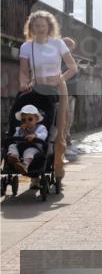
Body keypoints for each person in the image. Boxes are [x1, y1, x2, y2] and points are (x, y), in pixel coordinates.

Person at [19, 10, 77, 180]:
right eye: (36, 25)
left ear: (49, 26)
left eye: (43, 25)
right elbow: (23, 71)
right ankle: (34, 173)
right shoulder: (26, 47)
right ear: (31, 27)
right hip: (36, 87)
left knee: (59, 128)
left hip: (58, 89)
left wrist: (60, 78)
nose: (40, 28)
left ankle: (58, 160)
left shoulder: (58, 44)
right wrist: (23, 84)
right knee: (35, 124)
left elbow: (72, 68)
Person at [5, 104, 48, 175]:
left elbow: (44, 135)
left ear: (36, 120)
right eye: (24, 120)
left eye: (30, 119)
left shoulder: (40, 128)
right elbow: (15, 139)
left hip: (33, 147)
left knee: (29, 152)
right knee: (12, 146)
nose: (27, 121)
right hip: (20, 147)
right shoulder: (19, 129)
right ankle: (13, 157)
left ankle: (25, 165)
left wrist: (35, 135)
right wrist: (20, 132)